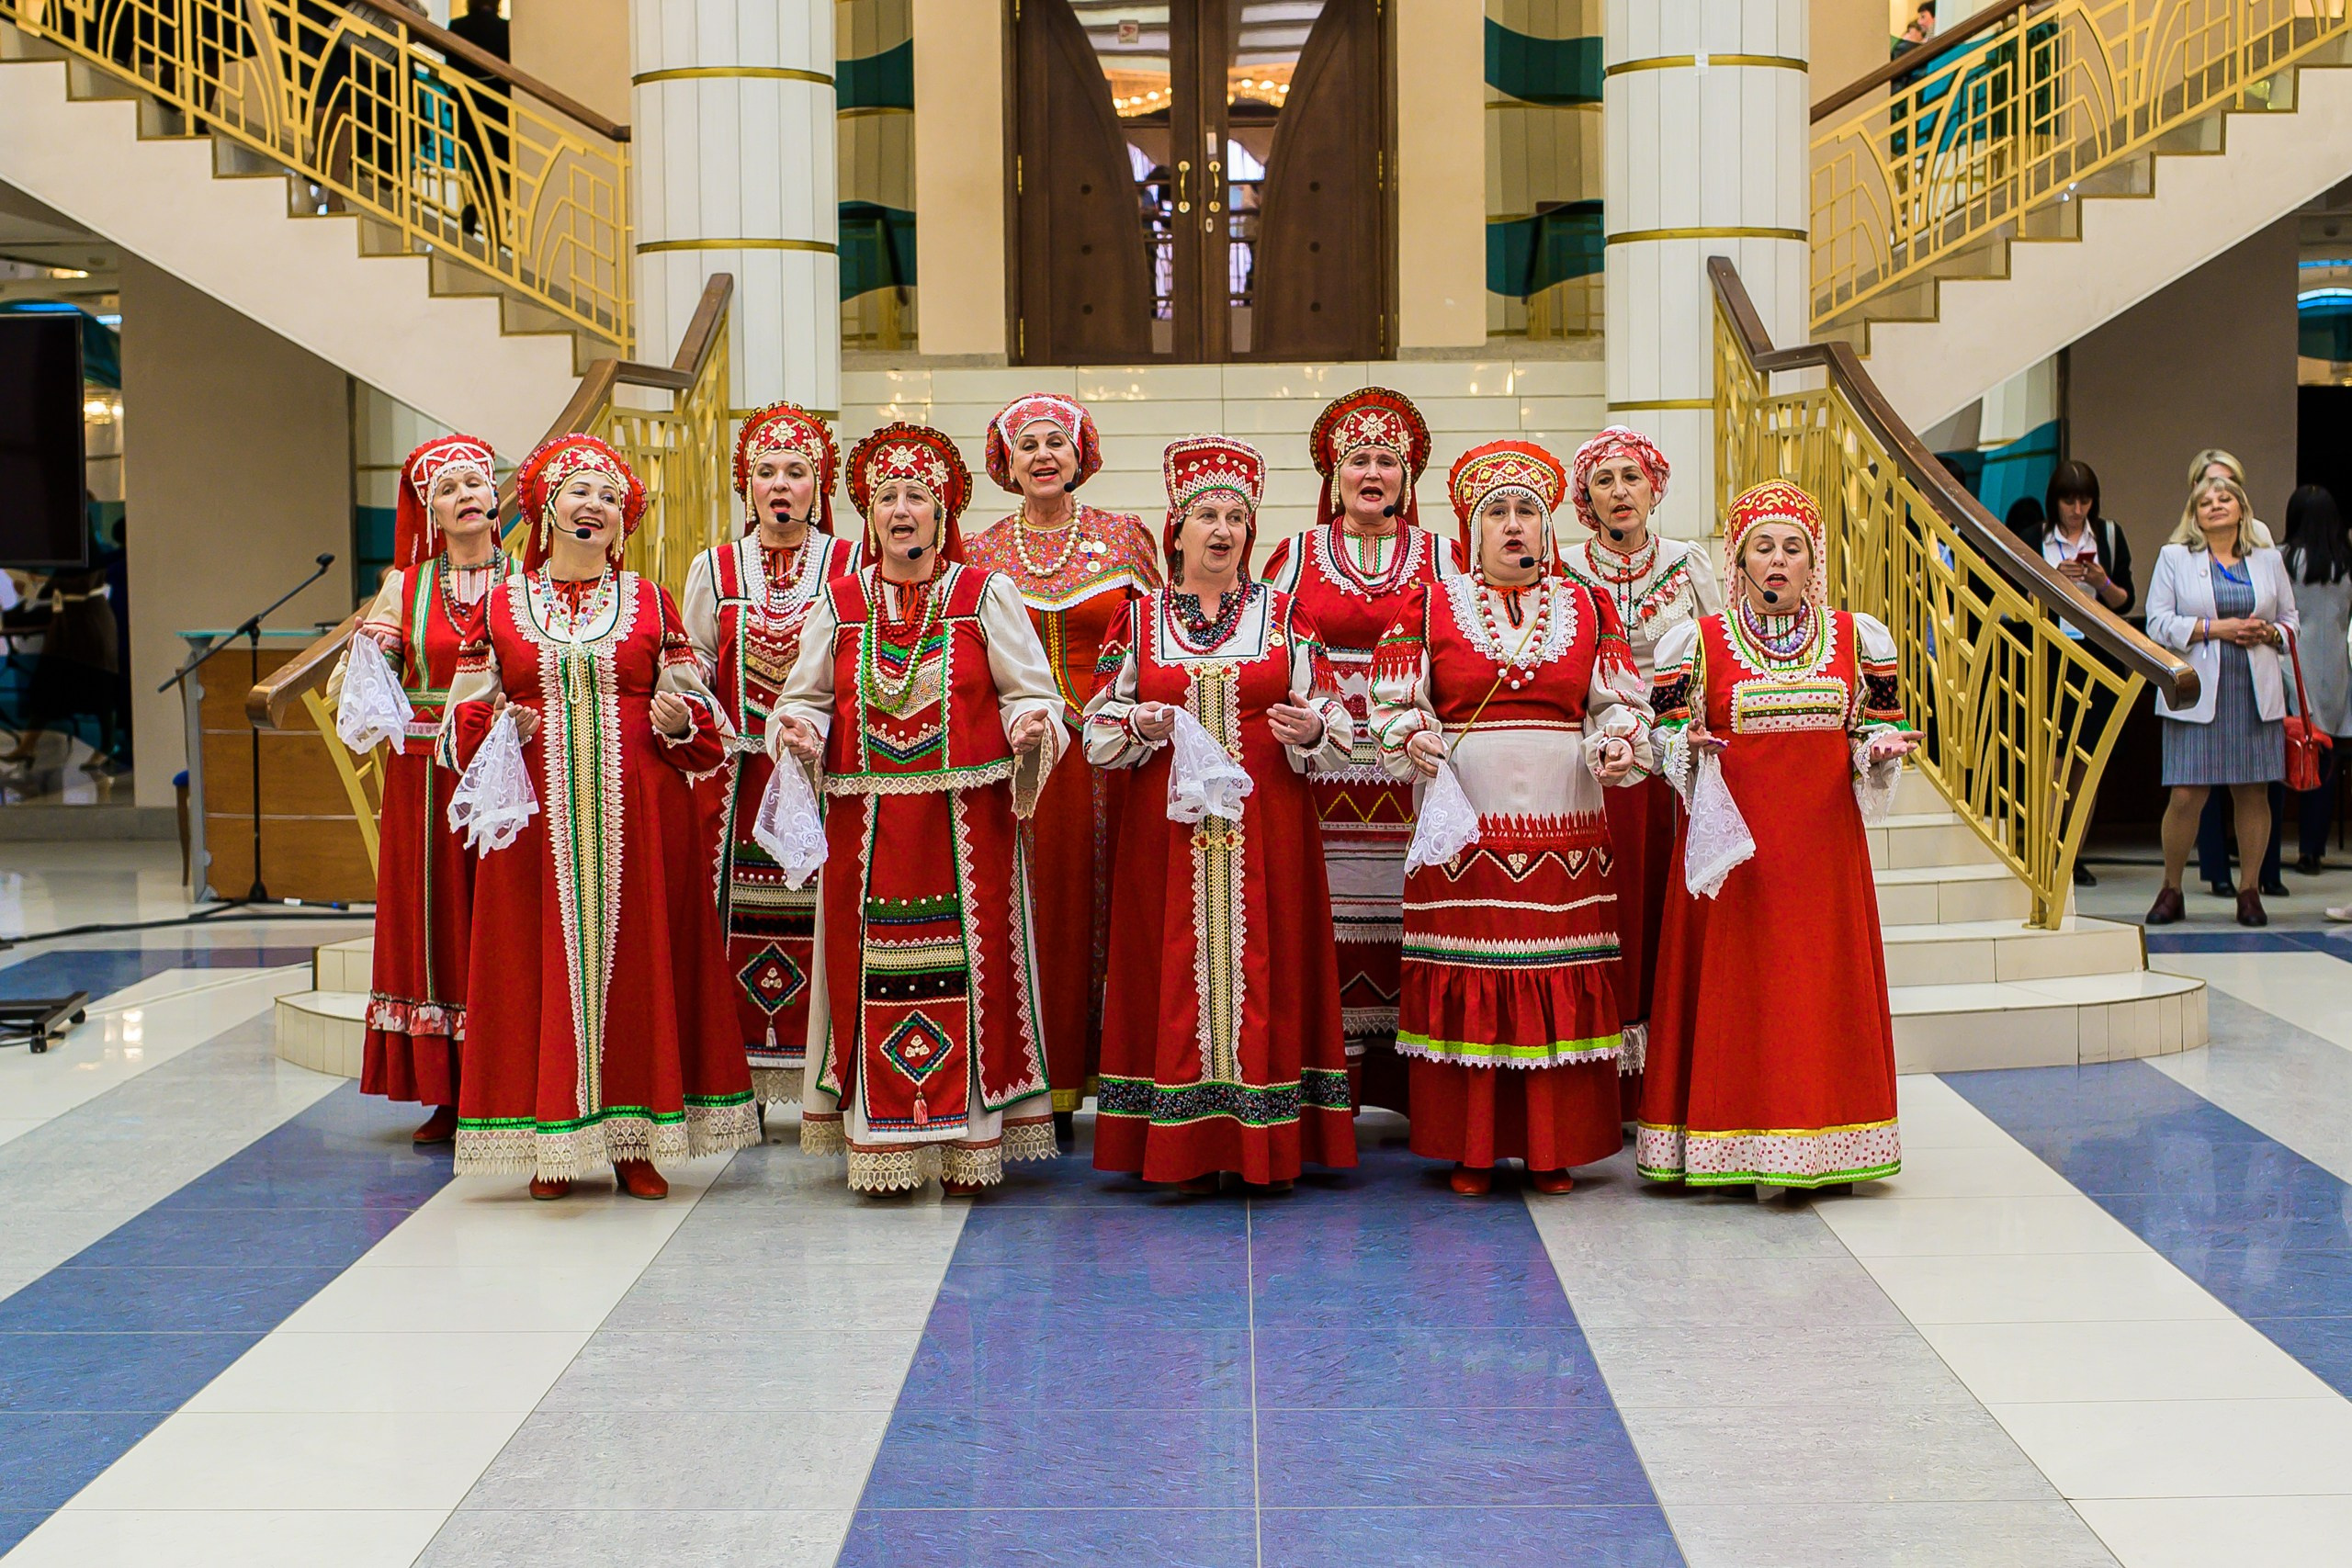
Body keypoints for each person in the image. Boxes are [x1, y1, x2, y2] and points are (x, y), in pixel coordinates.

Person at [442, 434, 756, 1200]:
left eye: (611, 498)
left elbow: (706, 737)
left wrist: (680, 722)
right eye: (581, 491)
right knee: (531, 967)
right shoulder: (500, 606)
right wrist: (498, 728)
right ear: (547, 505)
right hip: (534, 822)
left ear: (623, 523)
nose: (596, 506)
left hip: (641, 821)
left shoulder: (650, 601)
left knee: (642, 966)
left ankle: (635, 1141)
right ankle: (552, 1144)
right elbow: (458, 730)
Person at [769, 423, 1067, 1196]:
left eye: (917, 497)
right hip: (865, 832)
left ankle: (974, 1143)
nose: (902, 509)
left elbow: (1031, 691)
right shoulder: (836, 605)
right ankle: (882, 1141)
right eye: (886, 497)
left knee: (975, 972)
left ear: (943, 514)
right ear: (868, 516)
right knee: (869, 970)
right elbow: (801, 700)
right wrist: (797, 729)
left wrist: (1031, 725)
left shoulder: (985, 595)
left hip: (967, 826)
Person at [1371, 440, 1655, 1196]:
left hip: (1566, 825)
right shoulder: (1429, 604)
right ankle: (1470, 1145)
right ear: (1471, 530)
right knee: (1474, 966)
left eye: (1527, 510)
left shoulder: (1587, 604)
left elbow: (1621, 702)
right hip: (1465, 830)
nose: (1514, 525)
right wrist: (1413, 734)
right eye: (1497, 512)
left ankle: (1552, 1144)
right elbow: (1393, 705)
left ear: (1549, 526)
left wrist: (1622, 739)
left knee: (1554, 966)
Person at [1085, 435, 1359, 1194]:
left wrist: (1315, 729)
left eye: (1235, 516)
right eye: (1206, 513)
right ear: (1176, 529)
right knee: (1165, 968)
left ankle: (1267, 1140)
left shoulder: (1285, 616)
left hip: (1269, 832)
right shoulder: (1136, 620)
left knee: (1271, 964)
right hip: (1165, 841)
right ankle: (1174, 1144)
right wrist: (1134, 725)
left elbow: (1334, 714)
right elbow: (1096, 725)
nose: (1221, 529)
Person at [1638, 480, 1917, 1191]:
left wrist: (1879, 748)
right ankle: (1724, 1146)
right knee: (1740, 1000)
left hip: (1823, 860)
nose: (1778, 561)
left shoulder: (1860, 639)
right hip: (1734, 864)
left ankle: (1828, 1145)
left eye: (1793, 548)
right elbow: (1661, 733)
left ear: (1813, 561)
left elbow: (1874, 725)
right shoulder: (1695, 644)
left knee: (1815, 996)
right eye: (1763, 547)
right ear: (1738, 562)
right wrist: (1683, 742)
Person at [963, 395, 1160, 1141]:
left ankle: (1112, 1071)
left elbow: (1153, 639)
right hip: (1017, 761)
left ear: (1081, 455)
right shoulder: (978, 553)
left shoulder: (1125, 539)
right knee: (1026, 906)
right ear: (1006, 464)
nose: (1043, 455)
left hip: (1111, 758)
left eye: (1056, 442)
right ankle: (1030, 1077)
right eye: (1028, 445)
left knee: (1109, 904)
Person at [1263, 387, 1465, 1111]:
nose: (1372, 473)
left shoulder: (1447, 556)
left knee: (1417, 922)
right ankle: (1332, 1093)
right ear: (1334, 476)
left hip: (1414, 782)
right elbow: (1270, 654)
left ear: (1407, 478)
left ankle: (1422, 1096)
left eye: (1387, 460)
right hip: (1325, 784)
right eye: (1358, 461)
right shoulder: (1296, 555)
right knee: (1333, 926)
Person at [679, 403, 861, 1106]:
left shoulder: (849, 564)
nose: (780, 485)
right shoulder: (715, 566)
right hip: (736, 779)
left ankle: (823, 1076)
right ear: (744, 484)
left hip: (823, 774)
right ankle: (738, 1081)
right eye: (766, 472)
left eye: (796, 471)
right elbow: (689, 653)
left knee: (827, 915)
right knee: (731, 921)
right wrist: (703, 700)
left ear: (820, 485)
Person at [331, 434, 505, 1145]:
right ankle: (447, 1090)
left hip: (505, 769)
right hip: (423, 777)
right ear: (430, 510)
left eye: (475, 484)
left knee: (502, 917)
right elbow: (369, 682)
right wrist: (372, 658)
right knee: (435, 924)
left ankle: (506, 1075)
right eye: (448, 489)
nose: (465, 496)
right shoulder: (406, 585)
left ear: (497, 498)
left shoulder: (530, 579)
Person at [1555, 427, 1720, 1107]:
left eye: (1632, 477)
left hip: (1678, 763)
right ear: (1585, 500)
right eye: (1605, 481)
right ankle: (1604, 1083)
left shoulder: (1690, 563)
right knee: (1605, 912)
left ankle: (1669, 1076)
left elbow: (1721, 650)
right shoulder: (1564, 566)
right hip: (1596, 761)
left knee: (1670, 908)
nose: (1621, 491)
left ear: (1655, 486)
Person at [2143, 474, 2300, 928]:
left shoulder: (2268, 559)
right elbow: (2158, 622)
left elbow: (2290, 621)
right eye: (2206, 501)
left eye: (2225, 498)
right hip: (2196, 690)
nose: (2216, 504)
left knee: (2253, 792)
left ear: (2241, 509)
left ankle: (2249, 891)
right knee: (2187, 794)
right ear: (2194, 515)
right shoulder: (2174, 557)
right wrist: (2217, 628)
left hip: (2254, 692)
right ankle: (2172, 888)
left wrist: (2269, 633)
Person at [2007, 459, 2136, 886]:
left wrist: (2100, 581)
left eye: (2084, 501)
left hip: (2099, 657)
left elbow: (2123, 602)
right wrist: (2050, 581)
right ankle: (2045, 852)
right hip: (2049, 656)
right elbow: (2015, 603)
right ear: (2055, 501)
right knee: (2053, 762)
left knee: (2088, 761)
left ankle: (2075, 854)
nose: (2077, 510)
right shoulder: (2034, 539)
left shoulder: (2110, 537)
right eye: (2069, 501)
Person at [2280, 485, 2350, 874]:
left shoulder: (2282, 560)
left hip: (2292, 668)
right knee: (2325, 763)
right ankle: (2313, 851)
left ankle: (2267, 848)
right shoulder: (2346, 563)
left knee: (2285, 758)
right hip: (2337, 673)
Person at [440, 0, 513, 243]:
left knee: (480, 170)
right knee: (505, 173)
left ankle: (482, 216)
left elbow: (450, 68)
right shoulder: (508, 29)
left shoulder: (458, 26)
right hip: (501, 109)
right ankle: (497, 234)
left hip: (468, 108)